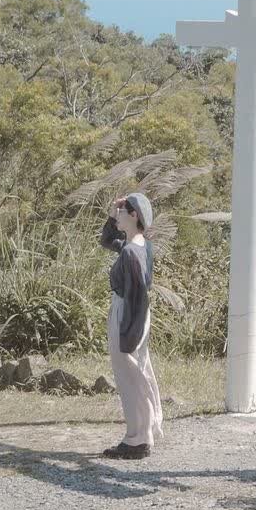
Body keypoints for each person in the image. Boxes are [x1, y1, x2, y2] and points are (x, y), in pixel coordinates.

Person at [99, 192, 163, 460]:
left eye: (123, 211)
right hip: (134, 315)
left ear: (134, 215)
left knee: (130, 378)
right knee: (137, 374)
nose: (119, 214)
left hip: (128, 314)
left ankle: (137, 440)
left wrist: (128, 335)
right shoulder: (139, 244)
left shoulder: (130, 252)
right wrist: (113, 215)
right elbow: (105, 241)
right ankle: (141, 435)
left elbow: (138, 298)